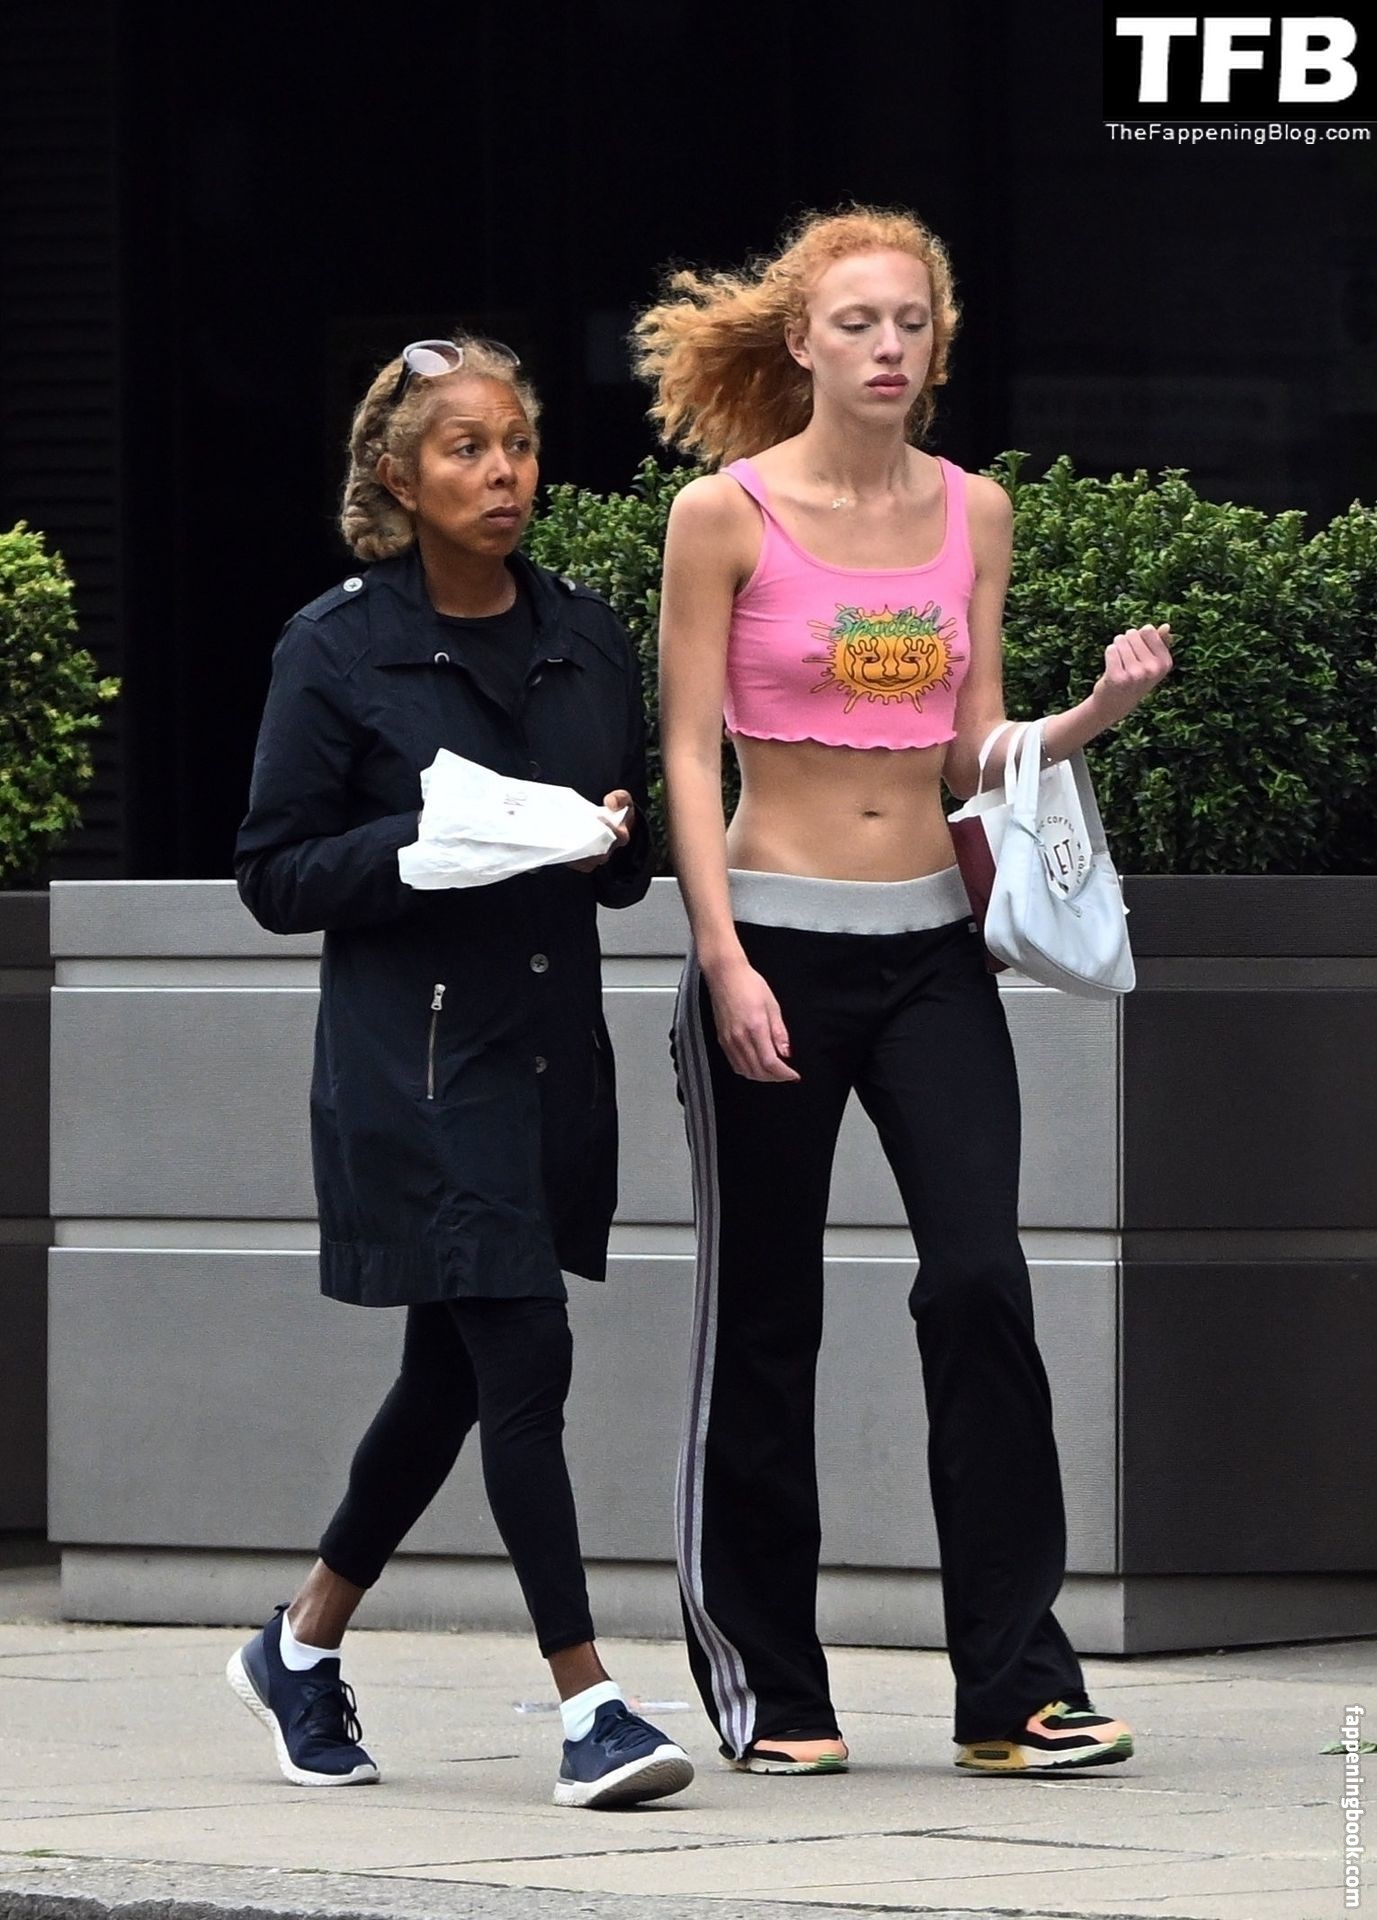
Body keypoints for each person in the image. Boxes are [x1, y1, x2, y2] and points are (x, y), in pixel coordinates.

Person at [635, 208, 1173, 1777]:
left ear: (938, 346)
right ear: (800, 340)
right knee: (765, 1318)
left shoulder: (971, 512)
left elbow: (965, 753)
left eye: (911, 323)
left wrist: (1089, 717)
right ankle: (771, 1688)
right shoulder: (722, 515)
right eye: (857, 322)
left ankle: (1011, 1690)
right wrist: (721, 958)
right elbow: (685, 755)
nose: (886, 347)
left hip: (932, 947)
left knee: (979, 1282)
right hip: (773, 949)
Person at [227, 334, 694, 1812]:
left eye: (518, 445)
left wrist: (610, 836)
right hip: (420, 1062)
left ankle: (300, 1645)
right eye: (465, 449)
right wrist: (416, 852)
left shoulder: (584, 633)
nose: (503, 473)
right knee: (525, 1357)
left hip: (551, 1054)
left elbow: (623, 861)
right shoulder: (335, 645)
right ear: (397, 475)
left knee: (451, 1374)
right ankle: (590, 1702)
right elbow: (275, 872)